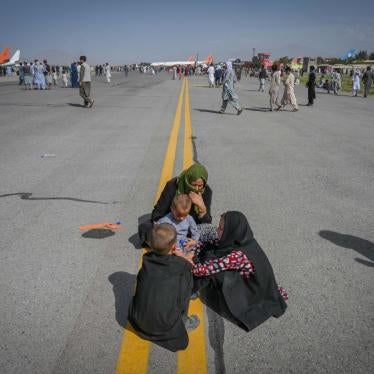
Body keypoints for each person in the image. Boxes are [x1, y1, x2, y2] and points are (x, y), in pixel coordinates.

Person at [193, 211, 288, 331]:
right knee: (212, 251)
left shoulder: (237, 256)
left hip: (253, 290)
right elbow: (217, 243)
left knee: (211, 265)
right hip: (261, 283)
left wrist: (189, 259)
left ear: (231, 231)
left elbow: (203, 270)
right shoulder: (246, 241)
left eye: (221, 228)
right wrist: (200, 244)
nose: (217, 230)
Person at [128, 223, 198, 352]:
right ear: (173, 246)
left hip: (137, 319)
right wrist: (182, 256)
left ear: (150, 244)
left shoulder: (146, 260)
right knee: (186, 282)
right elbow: (191, 267)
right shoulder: (180, 265)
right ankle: (184, 320)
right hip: (163, 324)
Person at [138, 164, 212, 246]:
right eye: (194, 185)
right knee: (146, 228)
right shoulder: (173, 185)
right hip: (170, 226)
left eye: (200, 186)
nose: (197, 189)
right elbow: (157, 214)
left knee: (211, 232)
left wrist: (202, 208)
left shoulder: (206, 191)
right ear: (187, 181)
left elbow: (207, 223)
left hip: (191, 228)